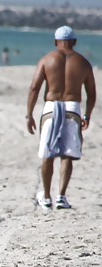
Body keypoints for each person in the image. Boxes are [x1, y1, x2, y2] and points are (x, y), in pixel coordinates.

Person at [26, 26, 96, 210]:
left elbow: (34, 88)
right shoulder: (84, 63)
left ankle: (47, 197)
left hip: (51, 106)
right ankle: (61, 197)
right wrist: (87, 114)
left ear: (55, 41)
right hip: (73, 108)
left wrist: (29, 114)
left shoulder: (46, 59)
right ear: (74, 41)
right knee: (67, 154)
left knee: (48, 153)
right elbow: (92, 93)